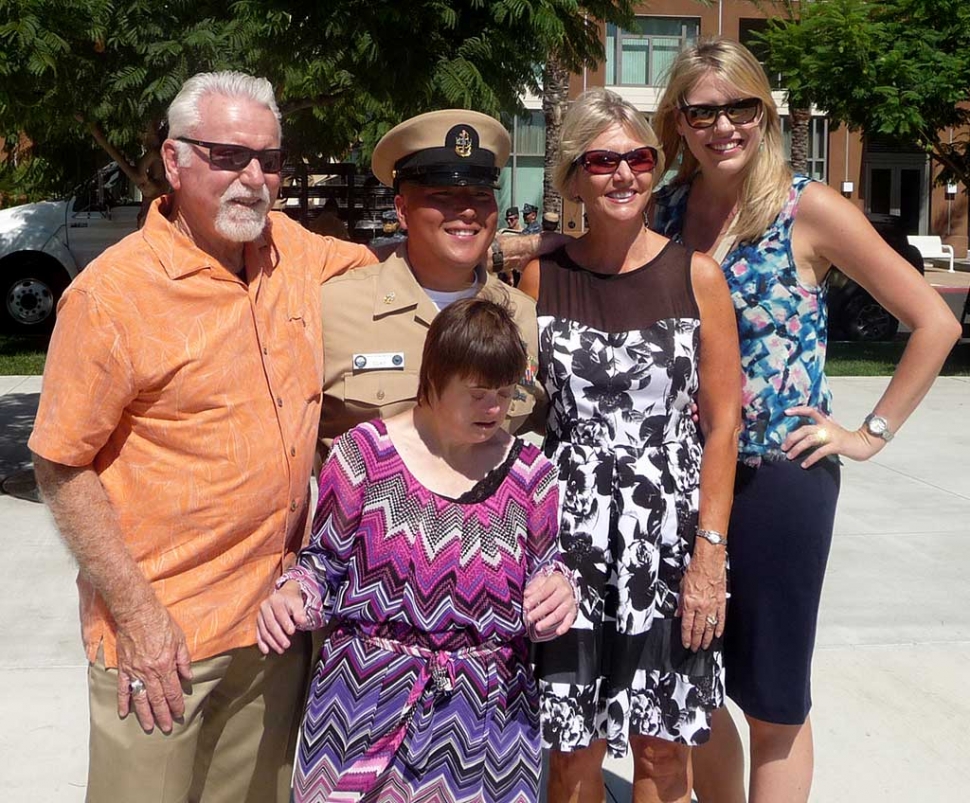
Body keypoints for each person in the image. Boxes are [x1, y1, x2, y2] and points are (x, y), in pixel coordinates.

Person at [29, 71, 378, 803]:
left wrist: (544, 255)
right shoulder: (110, 296)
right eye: (227, 155)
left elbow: (407, 272)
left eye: (270, 159)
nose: (253, 177)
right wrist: (139, 616)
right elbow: (61, 463)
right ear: (173, 160)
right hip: (162, 642)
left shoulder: (298, 255)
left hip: (273, 632)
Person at [651, 38, 962, 803]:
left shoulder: (807, 207)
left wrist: (866, 433)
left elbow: (934, 320)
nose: (724, 126)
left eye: (741, 108)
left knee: (774, 698)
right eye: (704, 111)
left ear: (765, 113)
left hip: (778, 478)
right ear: (679, 123)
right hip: (679, 477)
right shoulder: (659, 209)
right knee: (687, 682)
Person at [257, 296, 579, 802]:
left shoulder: (531, 476)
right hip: (361, 709)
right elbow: (322, 565)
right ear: (432, 378)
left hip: (486, 725)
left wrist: (560, 590)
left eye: (505, 392)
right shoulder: (364, 455)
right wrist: (294, 594)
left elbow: (547, 569)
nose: (495, 409)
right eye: (477, 393)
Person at [518, 88, 743, 803]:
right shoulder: (540, 277)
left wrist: (709, 552)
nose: (624, 174)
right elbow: (520, 415)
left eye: (639, 157)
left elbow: (723, 424)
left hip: (667, 544)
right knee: (570, 755)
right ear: (575, 176)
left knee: (662, 757)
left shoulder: (696, 277)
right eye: (603, 160)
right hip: (567, 546)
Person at [317, 109, 544, 461]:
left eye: (481, 194)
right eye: (443, 194)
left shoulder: (522, 316)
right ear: (403, 210)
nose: (467, 210)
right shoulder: (334, 309)